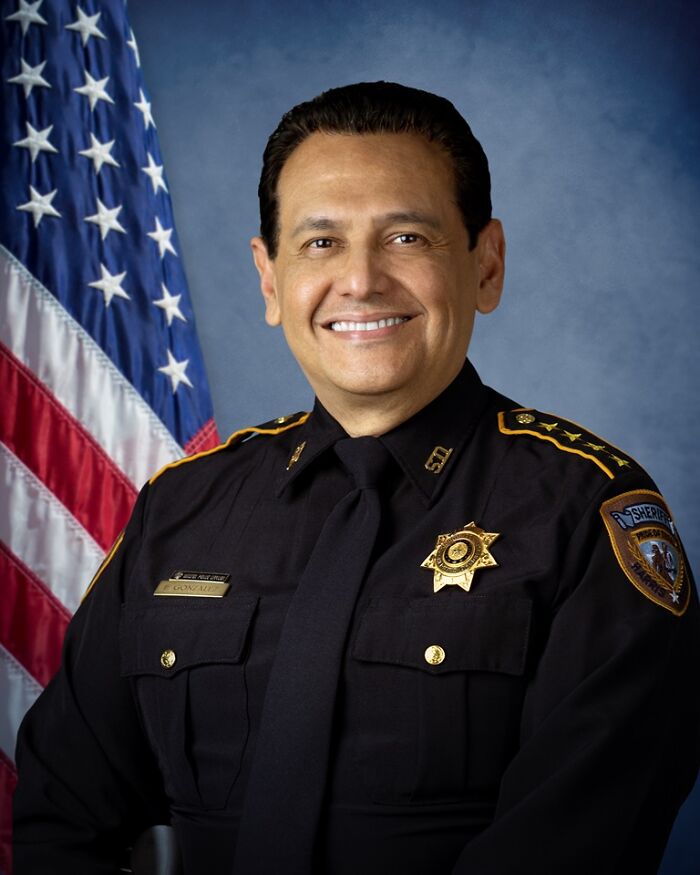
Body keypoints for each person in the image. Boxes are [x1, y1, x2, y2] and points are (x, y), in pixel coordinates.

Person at [13, 81, 700, 874]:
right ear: (270, 281)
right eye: (321, 242)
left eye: (407, 238)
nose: (363, 280)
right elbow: (60, 816)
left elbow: (569, 849)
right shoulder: (183, 509)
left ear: (486, 264)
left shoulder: (588, 514)